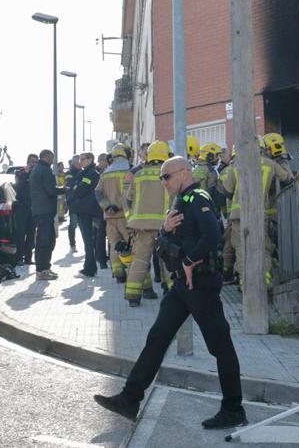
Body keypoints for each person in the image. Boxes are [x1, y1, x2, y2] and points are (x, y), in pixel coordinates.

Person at [93, 156, 246, 429]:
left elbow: (212, 235)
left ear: (184, 173)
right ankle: (130, 398)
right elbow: (172, 241)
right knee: (157, 337)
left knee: (220, 345)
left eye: (167, 177)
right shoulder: (181, 202)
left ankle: (233, 408)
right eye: (161, 178)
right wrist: (164, 229)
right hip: (182, 286)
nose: (162, 182)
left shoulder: (197, 197)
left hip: (200, 284)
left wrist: (189, 262)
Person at [218, 135, 292, 288]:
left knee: (241, 249)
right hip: (260, 214)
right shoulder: (270, 164)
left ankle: (244, 283)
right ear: (263, 149)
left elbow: (226, 190)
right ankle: (265, 280)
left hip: (239, 215)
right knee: (263, 247)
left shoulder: (238, 165)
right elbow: (288, 180)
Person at [121, 140, 169, 306]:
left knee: (140, 260)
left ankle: (133, 297)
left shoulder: (139, 175)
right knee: (167, 260)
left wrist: (133, 217)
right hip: (165, 226)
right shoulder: (168, 175)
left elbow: (128, 200)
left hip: (141, 226)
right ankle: (170, 292)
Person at [95, 145, 132, 284]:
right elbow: (130, 193)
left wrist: (108, 207)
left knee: (114, 244)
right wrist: (119, 207)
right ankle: (134, 273)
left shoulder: (105, 174)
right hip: (126, 217)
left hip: (110, 217)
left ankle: (118, 274)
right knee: (132, 245)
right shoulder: (129, 172)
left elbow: (98, 192)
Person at [29, 149, 66, 281]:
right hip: (44, 211)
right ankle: (42, 270)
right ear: (46, 157)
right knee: (45, 241)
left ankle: (44, 268)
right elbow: (51, 189)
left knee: (47, 240)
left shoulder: (38, 169)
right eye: (52, 158)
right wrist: (64, 188)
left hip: (41, 210)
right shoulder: (44, 170)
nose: (53, 160)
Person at [68, 152, 101, 277]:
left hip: (87, 210)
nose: (80, 161)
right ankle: (90, 267)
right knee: (88, 240)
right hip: (84, 209)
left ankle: (89, 269)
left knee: (88, 240)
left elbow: (80, 189)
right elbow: (75, 188)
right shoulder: (83, 173)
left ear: (90, 159)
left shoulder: (91, 173)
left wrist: (76, 189)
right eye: (80, 159)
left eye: (83, 159)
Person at [14, 154, 37, 265]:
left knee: (31, 233)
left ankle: (28, 258)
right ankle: (19, 258)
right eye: (31, 162)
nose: (33, 164)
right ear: (27, 162)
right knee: (20, 233)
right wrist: (26, 173)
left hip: (33, 206)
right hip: (22, 205)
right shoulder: (20, 172)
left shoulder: (37, 173)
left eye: (35, 162)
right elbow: (18, 186)